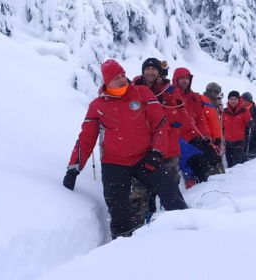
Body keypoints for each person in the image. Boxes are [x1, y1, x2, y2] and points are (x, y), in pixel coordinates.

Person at [62, 59, 188, 239]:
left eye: (122, 75)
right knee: (118, 210)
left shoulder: (142, 93)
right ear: (107, 82)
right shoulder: (98, 106)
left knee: (170, 189)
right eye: (116, 78)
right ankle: (121, 249)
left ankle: (186, 231)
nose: (122, 79)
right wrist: (73, 169)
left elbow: (161, 125)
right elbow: (85, 140)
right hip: (113, 164)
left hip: (143, 158)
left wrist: (157, 152)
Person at [129, 58, 179, 226]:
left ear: (159, 72)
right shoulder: (133, 88)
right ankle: (135, 231)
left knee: (169, 191)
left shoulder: (169, 90)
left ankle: (170, 227)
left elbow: (179, 116)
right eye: (147, 69)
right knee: (139, 194)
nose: (150, 72)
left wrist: (160, 110)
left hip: (168, 150)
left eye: (154, 69)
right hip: (142, 150)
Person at [171, 68, 220, 187]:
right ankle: (192, 189)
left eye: (187, 78)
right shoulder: (170, 95)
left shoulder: (193, 97)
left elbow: (200, 120)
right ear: (176, 79)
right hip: (178, 138)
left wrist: (206, 135)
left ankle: (203, 186)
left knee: (206, 160)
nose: (185, 81)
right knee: (192, 165)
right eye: (182, 78)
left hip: (193, 135)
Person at [222, 91, 253, 167]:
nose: (233, 101)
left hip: (239, 142)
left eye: (235, 99)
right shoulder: (225, 112)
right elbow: (221, 126)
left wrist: (250, 123)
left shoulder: (244, 111)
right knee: (229, 163)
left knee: (236, 164)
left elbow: (249, 121)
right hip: (227, 143)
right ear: (228, 100)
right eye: (231, 99)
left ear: (239, 100)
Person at [201, 82, 225, 175]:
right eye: (216, 92)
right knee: (213, 167)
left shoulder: (214, 106)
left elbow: (216, 123)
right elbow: (206, 122)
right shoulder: (205, 102)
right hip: (209, 140)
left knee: (218, 165)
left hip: (215, 140)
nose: (217, 95)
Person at [241, 92, 256, 159]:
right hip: (241, 141)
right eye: (242, 100)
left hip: (252, 142)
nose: (243, 102)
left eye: (245, 101)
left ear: (249, 101)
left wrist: (253, 138)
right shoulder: (239, 110)